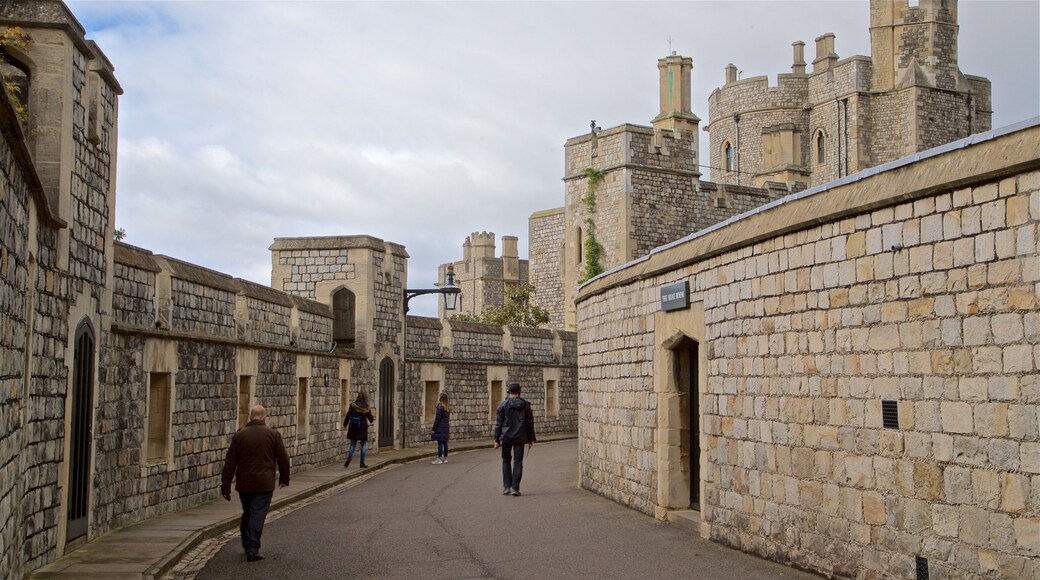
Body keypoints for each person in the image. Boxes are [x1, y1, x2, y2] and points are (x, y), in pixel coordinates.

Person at [220, 405, 290, 562]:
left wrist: (225, 485)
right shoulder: (273, 435)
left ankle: (247, 542)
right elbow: (283, 459)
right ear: (264, 417)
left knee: (248, 512)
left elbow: (230, 462)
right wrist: (284, 478)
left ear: (250, 417)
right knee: (257, 513)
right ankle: (252, 548)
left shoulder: (240, 435)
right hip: (264, 483)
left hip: (245, 483)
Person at [493, 382, 535, 496]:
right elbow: (529, 423)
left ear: (508, 391)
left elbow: (498, 424)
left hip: (506, 437)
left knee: (506, 460)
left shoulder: (503, 405)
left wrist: (497, 440)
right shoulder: (525, 405)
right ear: (519, 392)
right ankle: (515, 489)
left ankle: (506, 487)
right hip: (520, 437)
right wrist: (530, 439)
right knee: (518, 462)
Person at [343, 391, 376, 468]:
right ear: (365, 397)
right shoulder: (366, 407)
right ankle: (362, 463)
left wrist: (345, 424)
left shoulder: (353, 405)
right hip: (362, 428)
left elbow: (348, 415)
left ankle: (349, 458)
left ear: (358, 396)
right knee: (363, 445)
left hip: (353, 427)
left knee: (353, 445)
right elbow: (370, 419)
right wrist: (371, 417)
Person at [431, 392, 451, 464]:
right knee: (445, 443)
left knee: (440, 443)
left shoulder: (440, 407)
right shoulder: (447, 407)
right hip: (445, 428)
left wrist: (433, 429)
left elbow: (437, 419)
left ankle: (439, 459)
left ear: (441, 399)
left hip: (440, 428)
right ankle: (445, 458)